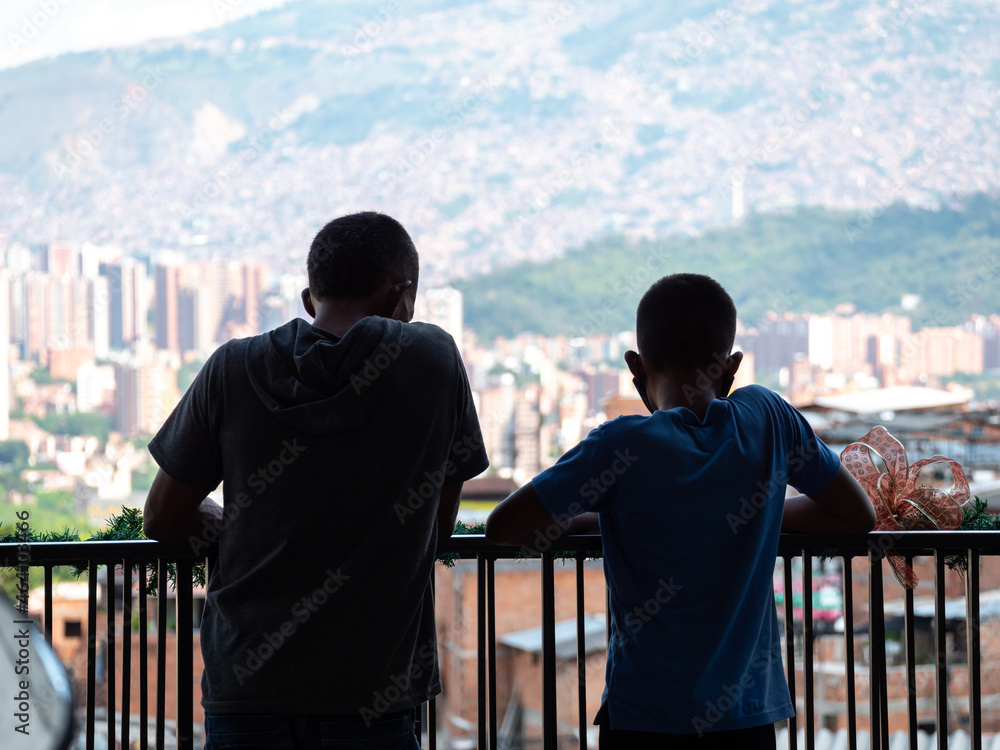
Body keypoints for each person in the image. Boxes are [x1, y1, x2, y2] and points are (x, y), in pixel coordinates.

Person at [143, 211, 489, 750]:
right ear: (403, 296)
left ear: (310, 299)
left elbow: (163, 518)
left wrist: (219, 521)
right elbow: (438, 527)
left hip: (247, 692)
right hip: (371, 697)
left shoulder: (232, 368)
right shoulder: (433, 361)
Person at [486, 273, 875, 750]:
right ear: (731, 368)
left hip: (643, 719)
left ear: (635, 366)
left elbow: (502, 528)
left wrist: (601, 513)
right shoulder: (770, 419)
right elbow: (858, 515)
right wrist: (761, 510)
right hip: (745, 720)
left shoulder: (620, 446)